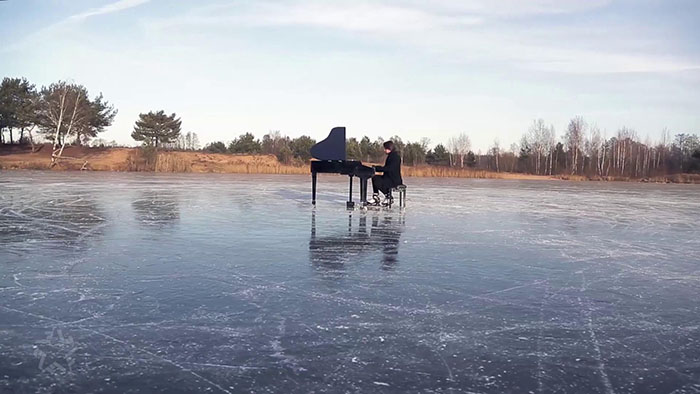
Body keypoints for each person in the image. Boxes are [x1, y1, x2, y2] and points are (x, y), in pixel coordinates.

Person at [371, 141, 403, 205]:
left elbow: (389, 169)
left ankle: (388, 196)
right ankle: (376, 196)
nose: (384, 150)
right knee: (374, 178)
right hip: (389, 177)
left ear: (389, 148)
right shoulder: (391, 156)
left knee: (378, 181)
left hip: (394, 180)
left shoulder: (395, 157)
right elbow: (387, 168)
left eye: (385, 148)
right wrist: (377, 168)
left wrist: (377, 168)